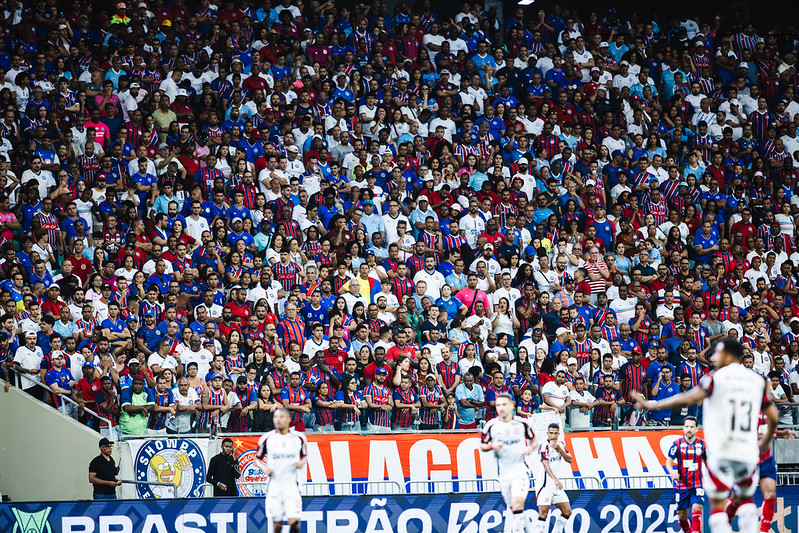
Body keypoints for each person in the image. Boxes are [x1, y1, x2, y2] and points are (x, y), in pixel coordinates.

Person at [633, 339, 779, 533]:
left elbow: (688, 398)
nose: (713, 357)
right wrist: (766, 441)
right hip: (747, 452)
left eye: (717, 352)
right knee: (746, 501)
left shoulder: (715, 378)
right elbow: (773, 416)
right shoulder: (757, 381)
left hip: (722, 451)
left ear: (728, 354)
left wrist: (654, 405)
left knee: (718, 505)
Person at [480, 393, 536, 533]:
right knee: (514, 509)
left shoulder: (522, 424)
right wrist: (493, 446)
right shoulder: (491, 426)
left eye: (504, 404)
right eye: (498, 405)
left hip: (520, 470)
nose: (501, 408)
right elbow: (483, 445)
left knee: (517, 506)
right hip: (504, 474)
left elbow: (534, 440)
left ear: (512, 405)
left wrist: (530, 448)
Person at [254, 408, 308, 533]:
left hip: (292, 487)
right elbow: (257, 459)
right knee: (277, 526)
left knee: (294, 524)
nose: (278, 419)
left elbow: (304, 455)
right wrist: (264, 468)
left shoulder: (299, 438)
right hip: (275, 487)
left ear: (289, 419)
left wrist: (301, 462)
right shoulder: (267, 439)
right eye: (276, 417)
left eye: (281, 417)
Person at [666, 417, 706, 533]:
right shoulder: (677, 444)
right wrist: (672, 472)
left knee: (696, 509)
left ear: (697, 429)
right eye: (687, 426)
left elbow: (708, 462)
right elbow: (668, 461)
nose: (689, 429)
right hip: (682, 486)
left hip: (697, 484)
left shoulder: (702, 444)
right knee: (682, 516)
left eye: (692, 427)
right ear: (683, 428)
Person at [534, 423, 573, 533]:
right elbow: (546, 465)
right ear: (547, 433)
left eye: (555, 433)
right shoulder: (543, 446)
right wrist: (556, 480)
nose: (553, 435)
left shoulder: (561, 444)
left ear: (559, 434)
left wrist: (559, 449)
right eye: (551, 433)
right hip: (545, 485)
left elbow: (570, 460)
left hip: (556, 487)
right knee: (543, 513)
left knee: (567, 512)